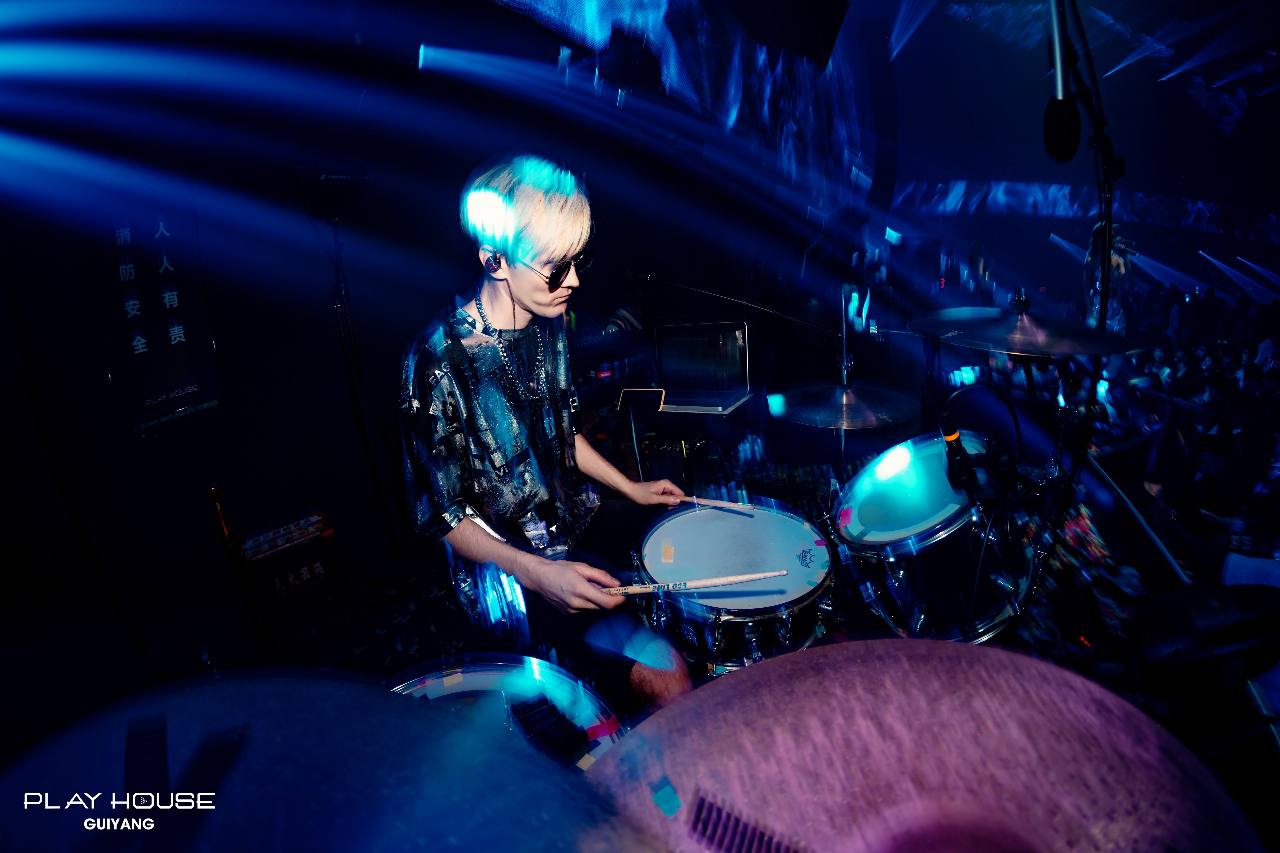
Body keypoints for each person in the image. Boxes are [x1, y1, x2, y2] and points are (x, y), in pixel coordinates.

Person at [400, 155, 691, 709]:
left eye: (576, 261)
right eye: (555, 267)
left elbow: (559, 431)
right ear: (494, 260)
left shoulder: (547, 324)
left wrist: (630, 488)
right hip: (503, 574)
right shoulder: (437, 362)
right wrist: (538, 575)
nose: (573, 281)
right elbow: (442, 517)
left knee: (676, 609)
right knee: (647, 687)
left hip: (568, 529)